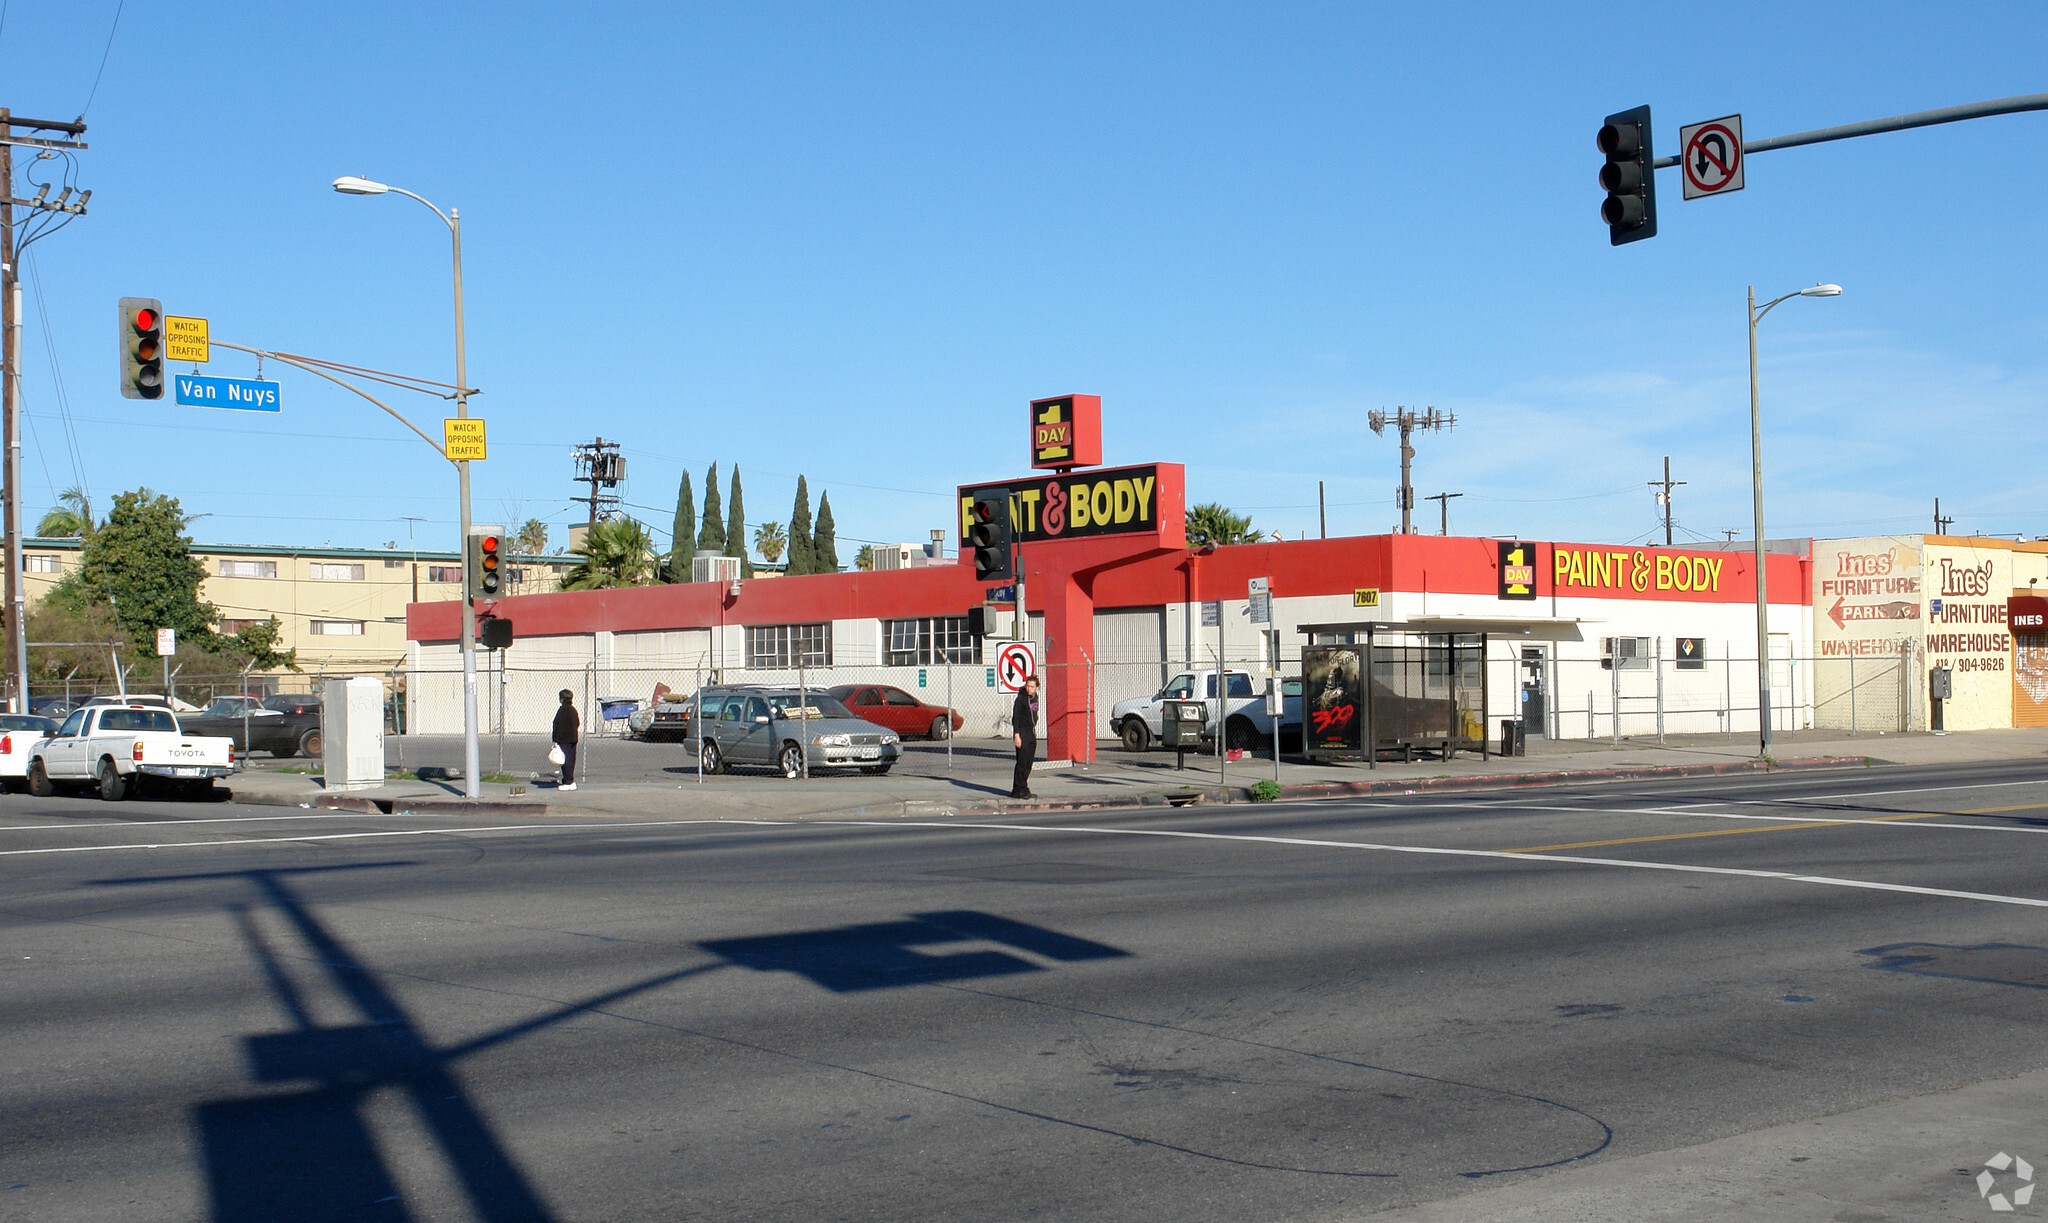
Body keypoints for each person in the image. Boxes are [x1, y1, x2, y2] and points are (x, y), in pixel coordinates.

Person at [1010, 674, 1039, 799]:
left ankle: (1024, 786)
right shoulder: (1020, 699)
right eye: (1028, 686)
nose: (1029, 689)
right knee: (1021, 762)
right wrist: (1017, 735)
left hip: (1031, 732)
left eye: (1032, 686)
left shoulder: (1034, 698)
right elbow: (1015, 718)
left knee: (1028, 762)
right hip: (1022, 732)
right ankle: (1018, 788)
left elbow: (1034, 714)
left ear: (1036, 687)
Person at [552, 689, 580, 791]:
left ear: (562, 699)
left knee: (565, 760)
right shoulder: (573, 710)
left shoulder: (562, 710)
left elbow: (557, 725)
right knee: (571, 759)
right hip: (573, 738)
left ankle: (569, 782)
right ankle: (568, 779)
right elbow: (577, 723)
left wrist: (556, 739)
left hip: (564, 739)